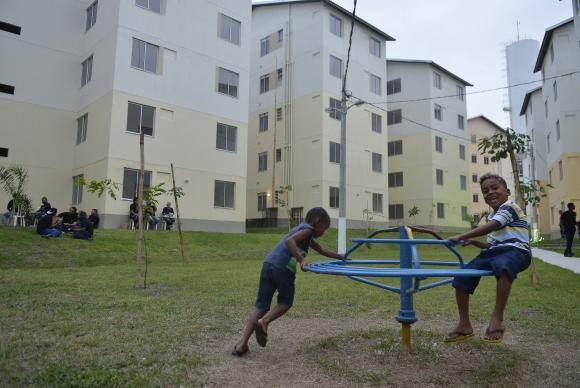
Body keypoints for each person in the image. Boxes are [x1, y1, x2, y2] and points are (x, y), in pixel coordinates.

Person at [232, 207, 343, 357]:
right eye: (324, 227)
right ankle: (265, 322)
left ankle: (241, 345)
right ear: (317, 222)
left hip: (268, 264)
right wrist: (301, 260)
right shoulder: (309, 230)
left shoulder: (303, 231)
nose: (324, 232)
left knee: (261, 306)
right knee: (286, 302)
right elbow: (289, 241)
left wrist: (341, 257)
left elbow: (321, 250)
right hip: (283, 268)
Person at [445, 173, 531, 344]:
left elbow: (492, 226)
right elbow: (491, 247)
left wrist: (462, 236)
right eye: (485, 191)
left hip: (517, 251)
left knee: (504, 265)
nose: (490, 192)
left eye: (494, 188)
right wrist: (474, 241)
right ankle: (464, 325)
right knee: (463, 275)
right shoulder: (492, 216)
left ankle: (496, 320)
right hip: (495, 253)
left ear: (507, 192)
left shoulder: (510, 207)